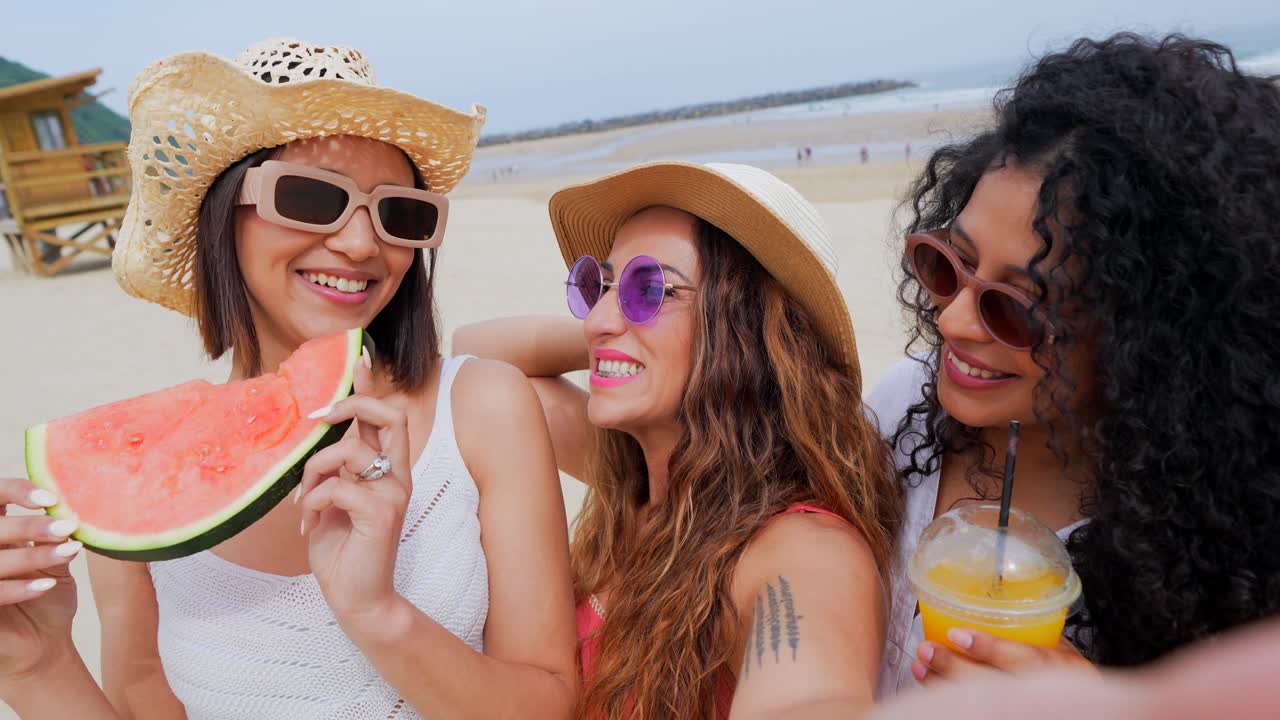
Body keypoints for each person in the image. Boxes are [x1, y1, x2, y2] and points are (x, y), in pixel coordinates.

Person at [0, 38, 577, 719]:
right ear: (224, 215)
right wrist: (37, 669)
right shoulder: (137, 481)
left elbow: (549, 701)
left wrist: (379, 614)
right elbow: (144, 699)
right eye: (310, 197)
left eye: (402, 213)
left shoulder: (483, 409)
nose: (363, 245)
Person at [869, 32, 1280, 696]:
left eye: (1020, 309)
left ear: (1150, 337)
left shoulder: (1228, 537)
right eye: (947, 265)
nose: (952, 320)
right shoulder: (893, 417)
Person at [455, 161, 904, 718]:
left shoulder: (800, 550)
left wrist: (631, 342)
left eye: (651, 288)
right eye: (601, 284)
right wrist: (616, 338)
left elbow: (808, 684)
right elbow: (471, 357)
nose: (598, 316)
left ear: (745, 328)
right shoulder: (637, 479)